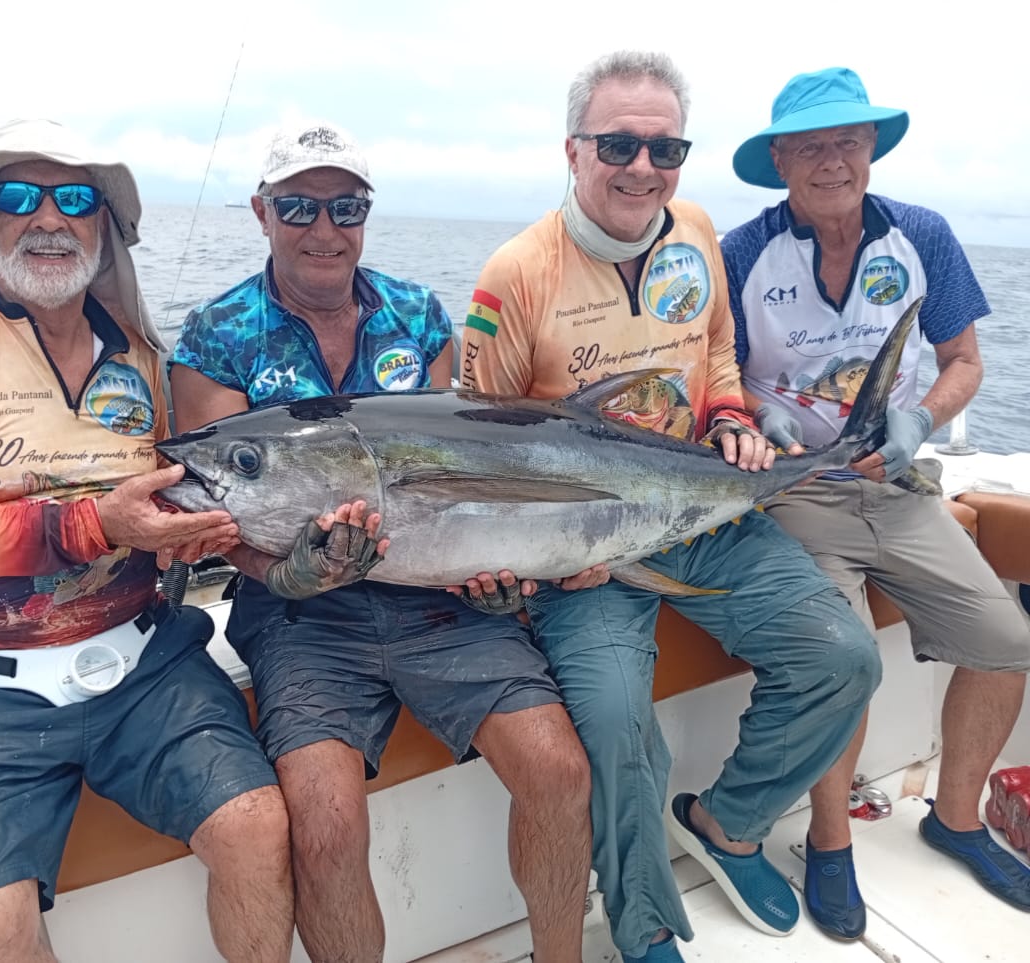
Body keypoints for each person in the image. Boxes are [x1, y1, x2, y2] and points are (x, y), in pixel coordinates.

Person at [462, 51, 884, 961]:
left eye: (666, 147)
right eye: (618, 144)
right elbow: (475, 454)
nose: (643, 168)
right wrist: (533, 558)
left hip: (701, 510)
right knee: (618, 728)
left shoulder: (694, 228)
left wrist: (731, 415)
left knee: (844, 656)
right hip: (582, 560)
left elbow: (719, 350)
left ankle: (726, 821)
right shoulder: (515, 275)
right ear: (573, 151)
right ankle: (645, 918)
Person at [0, 119, 294, 963]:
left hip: (142, 661)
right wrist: (84, 523)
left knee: (256, 822)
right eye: (18, 196)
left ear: (104, 227)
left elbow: (171, 501)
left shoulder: (139, 353)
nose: (47, 217)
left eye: (76, 198)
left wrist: (187, 538)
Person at [169, 121, 593, 963]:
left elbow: (464, 473)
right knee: (323, 822)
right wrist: (283, 571)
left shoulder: (417, 314)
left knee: (558, 769)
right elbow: (209, 513)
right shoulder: (216, 336)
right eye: (298, 205)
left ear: (366, 214)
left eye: (345, 206)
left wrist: (496, 574)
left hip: (436, 598)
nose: (323, 228)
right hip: (302, 622)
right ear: (261, 212)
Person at [721, 66, 1030, 938]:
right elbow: (715, 381)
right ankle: (829, 843)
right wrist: (753, 431)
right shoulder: (741, 253)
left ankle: (956, 816)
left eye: (848, 142)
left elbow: (965, 359)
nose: (831, 161)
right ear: (779, 161)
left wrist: (919, 419)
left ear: (872, 150)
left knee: (1009, 641)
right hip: (797, 494)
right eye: (811, 146)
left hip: (897, 488)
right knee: (842, 650)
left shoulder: (921, 234)